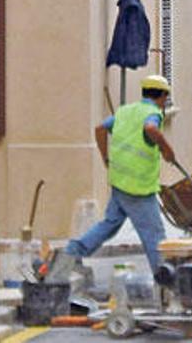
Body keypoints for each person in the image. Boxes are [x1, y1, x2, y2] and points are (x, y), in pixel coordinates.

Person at [47, 75, 176, 281]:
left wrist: (105, 156)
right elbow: (150, 128)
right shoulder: (153, 114)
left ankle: (70, 254)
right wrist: (166, 149)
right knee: (154, 235)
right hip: (138, 188)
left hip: (119, 180)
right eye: (165, 98)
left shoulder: (125, 112)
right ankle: (167, 279)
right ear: (162, 96)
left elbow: (100, 129)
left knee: (109, 224)